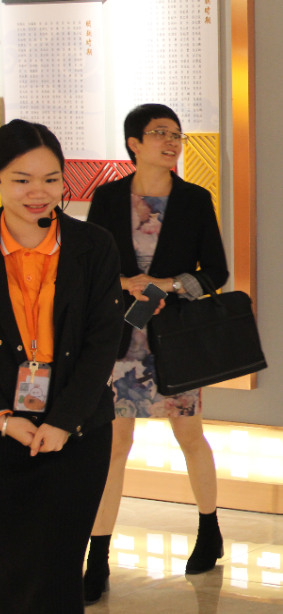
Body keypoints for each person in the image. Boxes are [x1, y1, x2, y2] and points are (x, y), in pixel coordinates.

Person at [84, 104, 230, 603]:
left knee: (190, 437)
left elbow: (216, 272)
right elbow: (89, 268)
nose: (171, 142)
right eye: (159, 133)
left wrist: (168, 284)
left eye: (176, 135)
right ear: (134, 143)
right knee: (114, 446)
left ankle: (209, 530)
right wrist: (123, 283)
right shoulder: (107, 198)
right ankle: (97, 556)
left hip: (174, 341)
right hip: (119, 341)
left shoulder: (194, 199)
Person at [0, 120, 123, 613]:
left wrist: (63, 421)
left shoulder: (94, 245)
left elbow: (103, 341)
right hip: (3, 427)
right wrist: (5, 420)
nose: (39, 192)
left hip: (78, 431)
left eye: (51, 179)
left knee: (56, 571)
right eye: (21, 180)